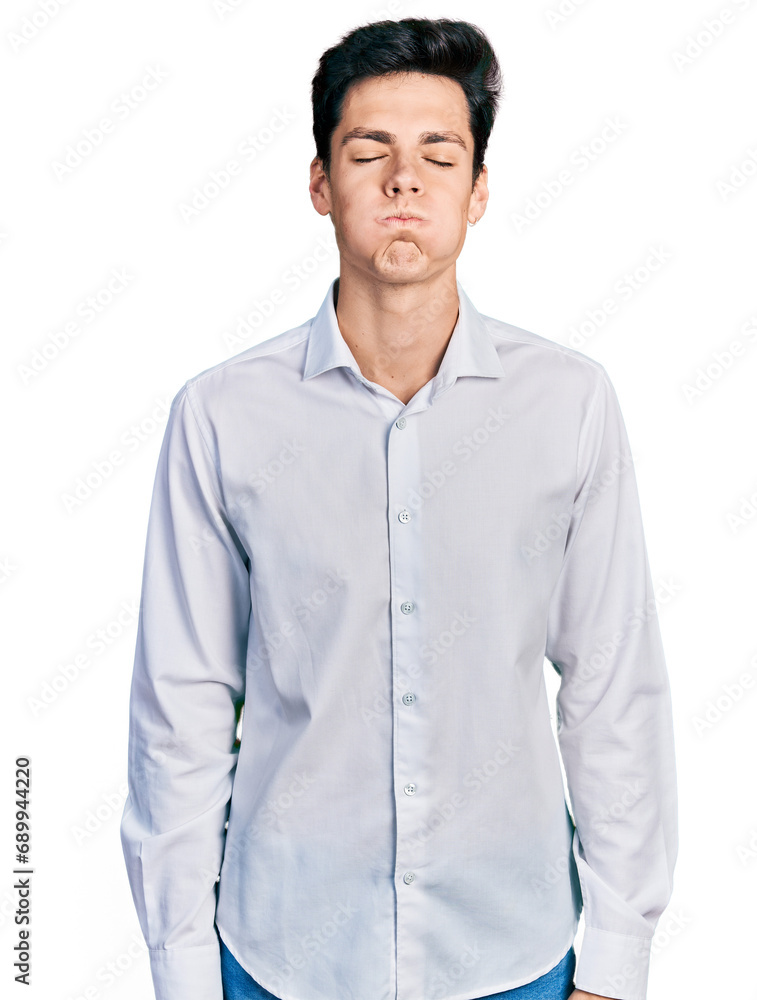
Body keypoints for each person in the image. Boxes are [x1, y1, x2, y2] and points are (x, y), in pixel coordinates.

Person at [120, 16, 678, 1000]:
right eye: (368, 151)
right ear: (319, 183)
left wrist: (617, 955)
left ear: (478, 190)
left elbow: (610, 686)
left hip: (513, 953)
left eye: (438, 155)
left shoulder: (568, 404)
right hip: (279, 955)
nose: (403, 181)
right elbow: (183, 706)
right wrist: (181, 964)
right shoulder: (222, 417)